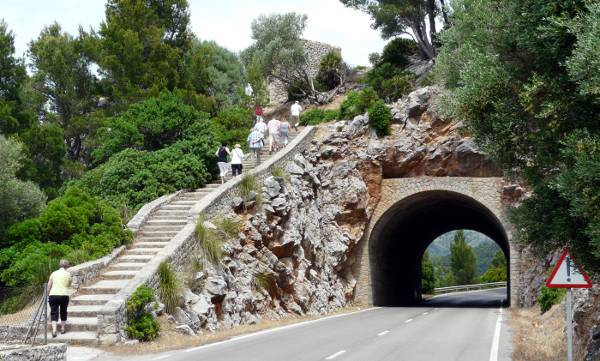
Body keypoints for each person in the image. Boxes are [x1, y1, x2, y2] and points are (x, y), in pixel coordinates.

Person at [48, 259, 71, 338]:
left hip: (53, 295)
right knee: (63, 311)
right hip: (64, 295)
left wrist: (48, 293)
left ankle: (54, 330)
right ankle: (62, 329)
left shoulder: (53, 273)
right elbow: (68, 284)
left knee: (54, 312)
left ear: (59, 266)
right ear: (67, 266)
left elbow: (49, 285)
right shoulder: (68, 274)